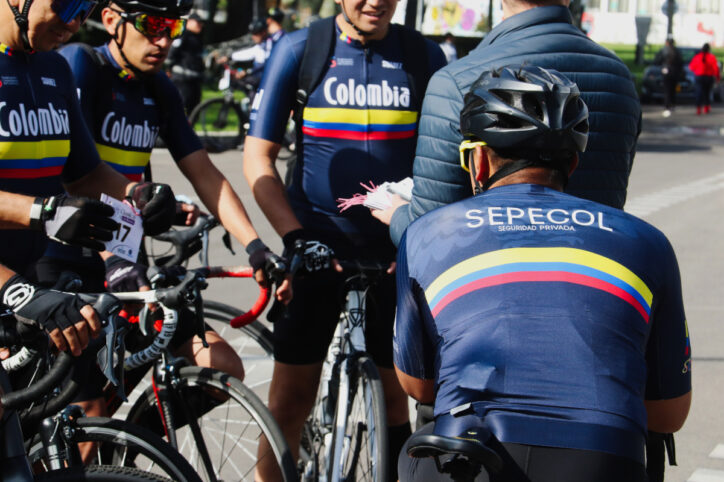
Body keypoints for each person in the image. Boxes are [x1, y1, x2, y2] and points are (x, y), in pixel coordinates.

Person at [394, 65, 691, 481]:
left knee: (414, 452)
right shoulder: (646, 240)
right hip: (602, 458)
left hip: (472, 454)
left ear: (477, 160)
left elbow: (419, 385)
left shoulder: (427, 232)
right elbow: (669, 413)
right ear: (572, 161)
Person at [34, 0, 291, 442]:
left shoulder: (158, 88)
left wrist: (256, 247)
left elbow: (206, 172)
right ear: (113, 21)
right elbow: (67, 176)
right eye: (152, 26)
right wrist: (113, 249)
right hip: (67, 257)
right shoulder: (81, 65)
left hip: (124, 259)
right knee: (87, 411)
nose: (164, 40)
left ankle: (136, 450)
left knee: (219, 365)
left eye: (171, 27)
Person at [243, 0, 446, 477]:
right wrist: (294, 239)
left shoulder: (423, 57)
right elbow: (258, 159)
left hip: (394, 249)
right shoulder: (301, 50)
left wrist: (418, 234)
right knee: (290, 403)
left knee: (396, 402)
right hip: (315, 244)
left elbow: (445, 166)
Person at [375, 0, 641, 246]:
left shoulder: (456, 81)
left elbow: (428, 233)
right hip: (594, 277)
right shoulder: (619, 78)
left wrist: (397, 213)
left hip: (486, 284)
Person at [168, 11, 206, 114]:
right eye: (197, 22)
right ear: (189, 22)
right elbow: (172, 53)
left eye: (201, 23)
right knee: (181, 107)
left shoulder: (198, 38)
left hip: (195, 79)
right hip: (182, 79)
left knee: (194, 110)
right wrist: (168, 68)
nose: (200, 25)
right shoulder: (182, 35)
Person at [654, 37, 683, 117]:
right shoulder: (677, 51)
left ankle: (667, 104)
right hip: (675, 72)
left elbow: (657, 60)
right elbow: (681, 62)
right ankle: (673, 104)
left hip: (666, 72)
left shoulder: (663, 50)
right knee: (673, 89)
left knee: (667, 89)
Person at [689, 42, 720, 115]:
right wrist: (717, 78)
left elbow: (691, 67)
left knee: (699, 92)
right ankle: (706, 107)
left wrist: (697, 70)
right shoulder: (711, 57)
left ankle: (698, 109)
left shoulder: (697, 57)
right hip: (708, 77)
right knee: (707, 93)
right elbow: (715, 68)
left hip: (699, 77)